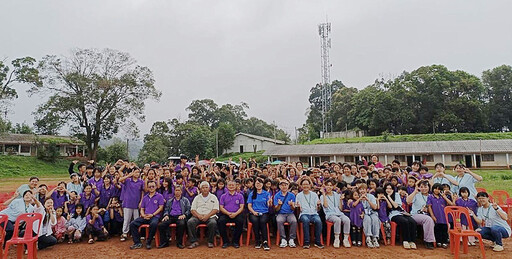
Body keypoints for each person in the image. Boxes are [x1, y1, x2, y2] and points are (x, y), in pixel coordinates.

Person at [129, 180, 165, 249]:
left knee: (154, 224)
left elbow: (161, 208)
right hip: (145, 216)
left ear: (156, 187)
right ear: (147, 188)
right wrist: (143, 215)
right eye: (149, 187)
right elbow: (142, 208)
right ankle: (137, 243)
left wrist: (153, 214)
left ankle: (148, 242)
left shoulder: (160, 196)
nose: (151, 188)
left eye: (153, 186)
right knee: (132, 224)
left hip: (155, 216)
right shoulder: (145, 197)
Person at [382, 183, 417, 249]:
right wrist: (388, 197)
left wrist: (390, 197)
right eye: (387, 188)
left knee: (412, 221)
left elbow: (396, 206)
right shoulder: (384, 196)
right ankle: (406, 240)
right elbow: (393, 207)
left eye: (390, 188)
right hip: (392, 214)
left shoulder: (396, 195)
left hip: (401, 212)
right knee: (404, 221)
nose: (388, 190)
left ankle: (412, 241)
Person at [187, 181, 219, 249]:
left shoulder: (213, 197)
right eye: (203, 188)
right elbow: (192, 209)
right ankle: (194, 241)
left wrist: (207, 216)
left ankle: (210, 241)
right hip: (198, 216)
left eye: (206, 187)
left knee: (213, 223)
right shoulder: (197, 197)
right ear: (200, 189)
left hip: (210, 216)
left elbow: (216, 209)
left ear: (209, 188)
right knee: (190, 222)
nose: (205, 189)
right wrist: (199, 215)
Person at [320, 179, 351, 248]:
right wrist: (323, 194)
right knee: (337, 220)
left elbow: (340, 209)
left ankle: (345, 239)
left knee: (347, 220)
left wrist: (340, 200)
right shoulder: (322, 196)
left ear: (333, 186)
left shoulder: (337, 195)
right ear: (325, 186)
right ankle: (336, 239)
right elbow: (325, 206)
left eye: (331, 185)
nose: (329, 187)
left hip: (339, 213)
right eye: (327, 185)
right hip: (329, 214)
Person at [157, 185, 190, 249]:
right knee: (161, 225)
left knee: (181, 224)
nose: (177, 192)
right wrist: (166, 215)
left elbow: (189, 209)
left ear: (181, 191)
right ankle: (165, 242)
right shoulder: (170, 201)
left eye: (179, 190)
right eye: (176, 190)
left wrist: (184, 215)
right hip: (170, 216)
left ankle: (179, 243)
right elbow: (166, 209)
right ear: (174, 191)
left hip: (180, 216)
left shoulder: (185, 200)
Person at [407, 180, 436, 249]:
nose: (423, 189)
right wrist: (415, 191)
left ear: (429, 187)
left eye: (425, 187)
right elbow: (408, 201)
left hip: (427, 214)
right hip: (415, 215)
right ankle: (428, 241)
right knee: (428, 219)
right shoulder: (416, 195)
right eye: (421, 187)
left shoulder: (431, 196)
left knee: (432, 219)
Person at [119, 168, 144, 242]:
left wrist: (141, 201)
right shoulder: (128, 180)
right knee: (126, 219)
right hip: (127, 203)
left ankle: (136, 233)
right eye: (135, 172)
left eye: (138, 172)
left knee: (136, 220)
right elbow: (120, 180)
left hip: (136, 203)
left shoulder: (141, 181)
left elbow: (142, 192)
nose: (137, 174)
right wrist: (129, 175)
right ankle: (125, 233)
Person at [218, 180, 245, 248]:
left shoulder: (240, 196)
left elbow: (241, 207)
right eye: (229, 185)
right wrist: (228, 213)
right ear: (227, 186)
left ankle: (235, 241)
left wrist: (235, 214)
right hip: (226, 214)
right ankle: (225, 241)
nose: (231, 186)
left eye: (233, 185)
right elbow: (221, 207)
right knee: (220, 221)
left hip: (237, 214)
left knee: (240, 221)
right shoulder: (223, 196)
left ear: (236, 186)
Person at [247, 178, 272, 250]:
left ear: (262, 184)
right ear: (254, 185)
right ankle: (257, 241)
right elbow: (249, 206)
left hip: (264, 212)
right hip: (253, 212)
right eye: (257, 183)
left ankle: (265, 241)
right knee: (255, 221)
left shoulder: (266, 193)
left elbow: (268, 205)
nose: (258, 185)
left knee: (262, 221)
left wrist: (270, 203)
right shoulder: (252, 194)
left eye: (260, 183)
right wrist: (254, 212)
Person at [427, 183, 454, 248]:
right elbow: (429, 207)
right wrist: (432, 215)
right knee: (437, 229)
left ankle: (444, 241)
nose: (437, 190)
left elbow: (451, 204)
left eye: (439, 189)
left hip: (443, 216)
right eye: (435, 189)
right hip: (436, 215)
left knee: (444, 229)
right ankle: (438, 241)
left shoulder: (443, 197)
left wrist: (444, 197)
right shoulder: (430, 196)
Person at [274, 178, 297, 248]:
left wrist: (292, 205)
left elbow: (293, 209)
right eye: (282, 185)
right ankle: (283, 239)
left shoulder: (292, 195)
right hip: (281, 213)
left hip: (290, 213)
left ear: (288, 186)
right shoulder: (277, 195)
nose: (284, 186)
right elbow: (276, 209)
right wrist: (279, 205)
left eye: (285, 185)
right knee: (279, 220)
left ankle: (291, 239)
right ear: (280, 186)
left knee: (294, 221)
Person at [357, 183, 380, 248]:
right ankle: (368, 237)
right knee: (367, 219)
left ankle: (375, 238)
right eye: (360, 189)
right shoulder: (357, 197)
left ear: (366, 190)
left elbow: (375, 207)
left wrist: (368, 200)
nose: (362, 191)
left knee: (375, 219)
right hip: (363, 214)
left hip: (372, 212)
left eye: (363, 189)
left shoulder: (371, 196)